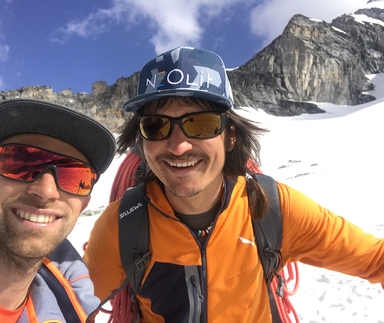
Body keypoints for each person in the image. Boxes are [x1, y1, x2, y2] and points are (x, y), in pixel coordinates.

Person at [83, 46, 384, 322]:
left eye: (201, 124)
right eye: (155, 125)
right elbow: (68, 307)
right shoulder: (122, 225)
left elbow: (375, 258)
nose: (178, 147)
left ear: (230, 136)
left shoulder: (272, 207)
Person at [0, 98, 116, 322]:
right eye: (20, 163)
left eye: (74, 176)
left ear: (83, 206)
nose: (46, 190)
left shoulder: (73, 309)